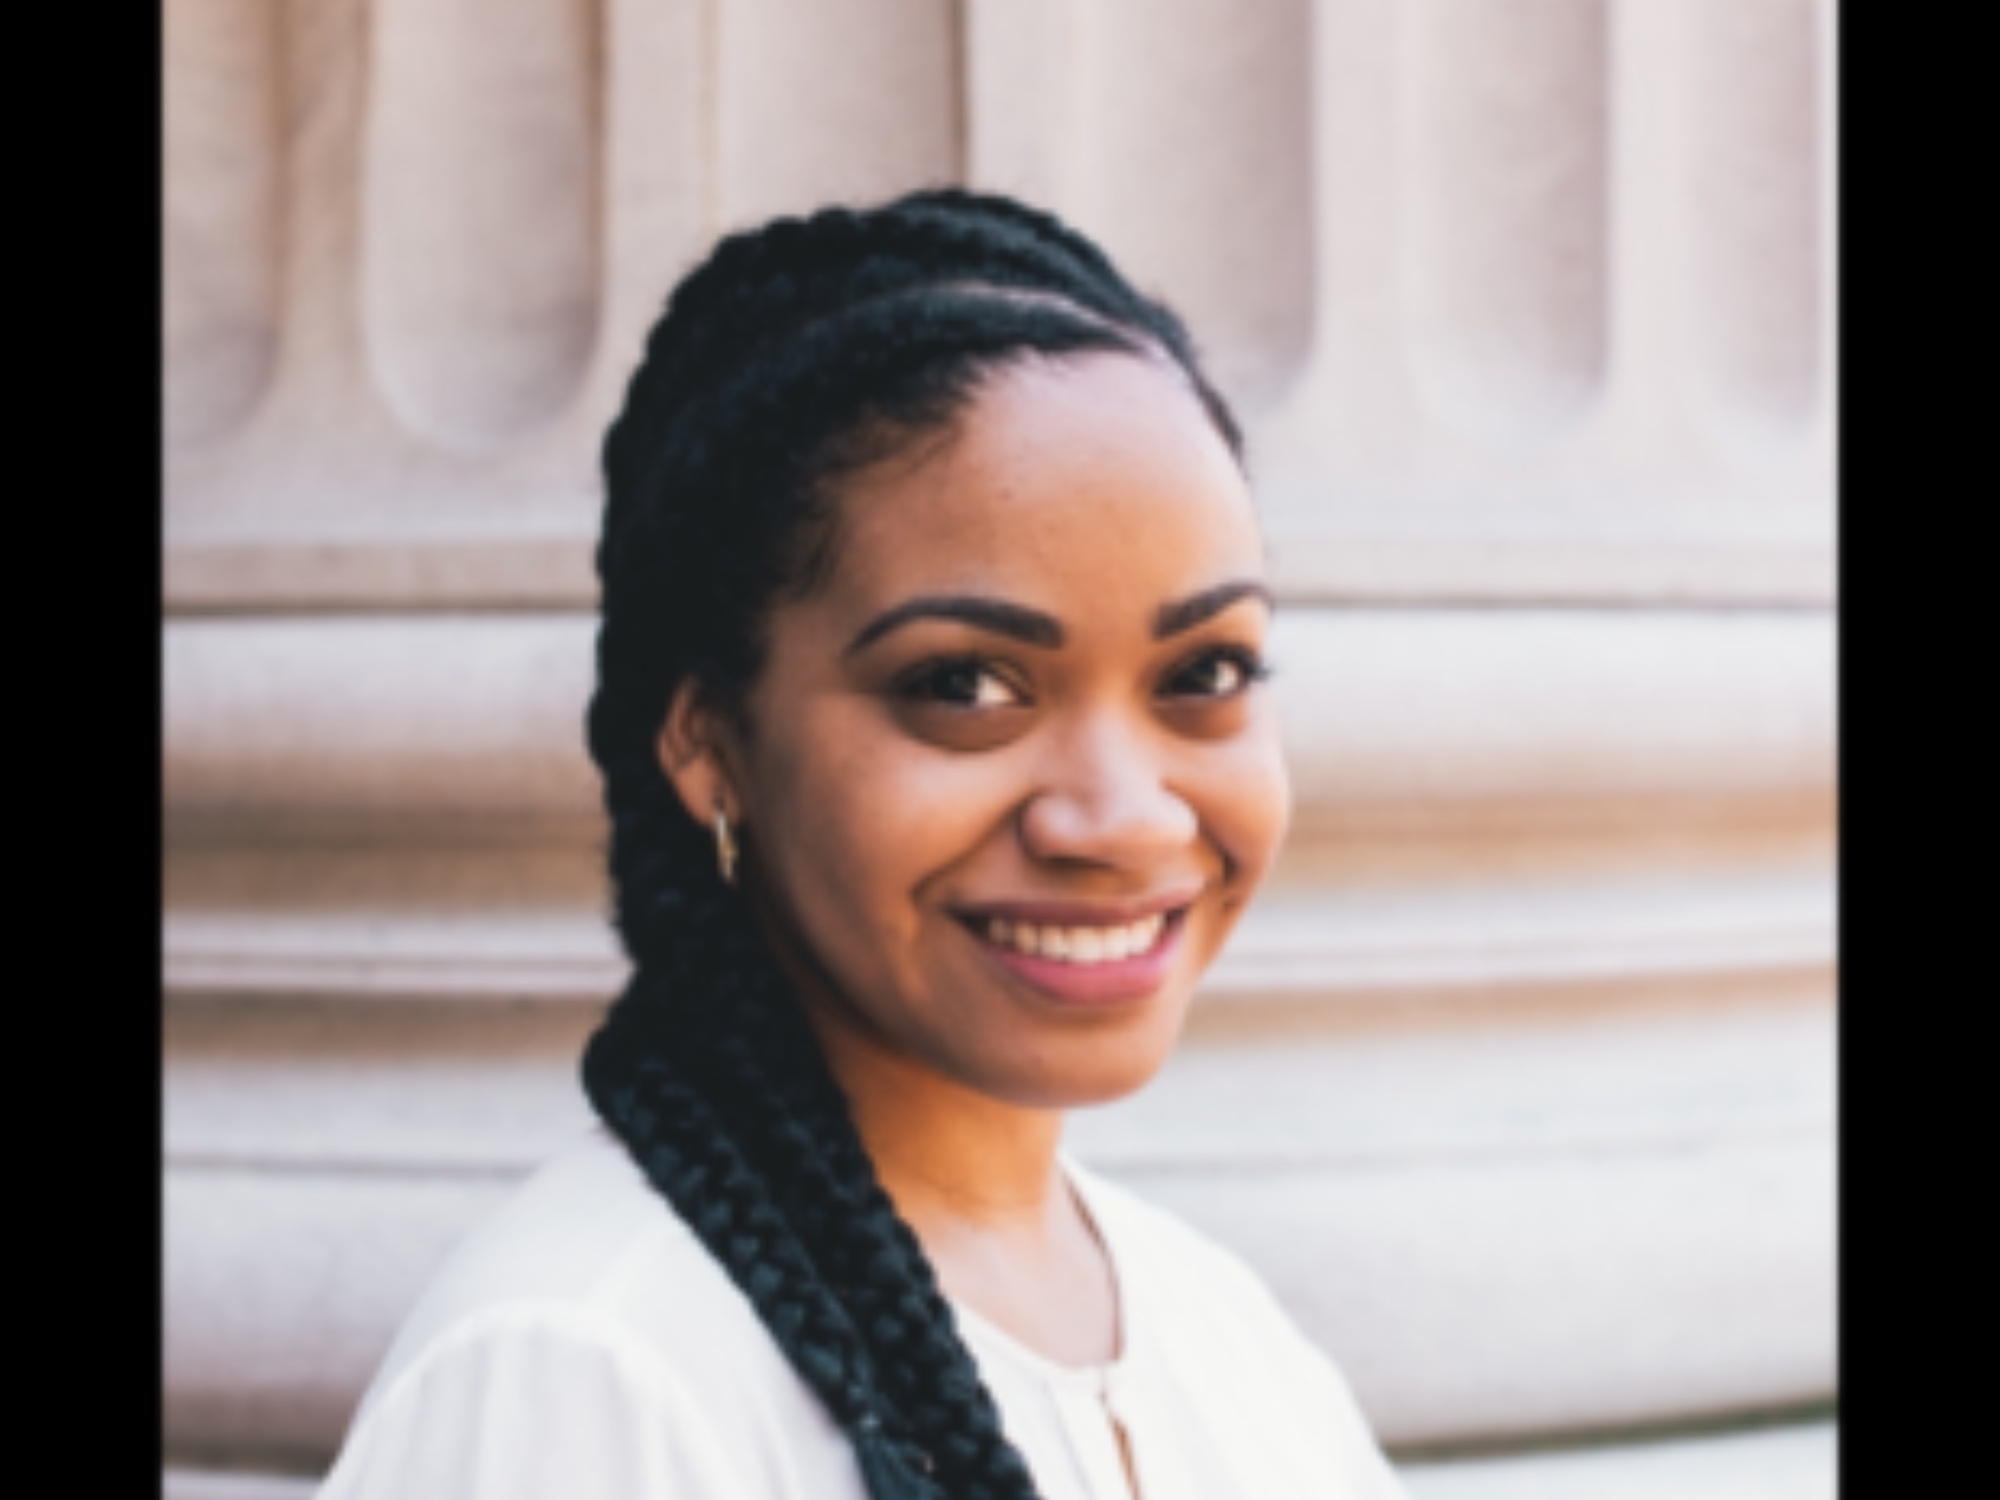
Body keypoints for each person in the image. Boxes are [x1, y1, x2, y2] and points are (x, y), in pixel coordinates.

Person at [317, 189, 1406, 1500]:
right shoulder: (590, 1372)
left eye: (1208, 669)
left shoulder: (1230, 1343)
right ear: (711, 740)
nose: (1123, 818)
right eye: (965, 686)